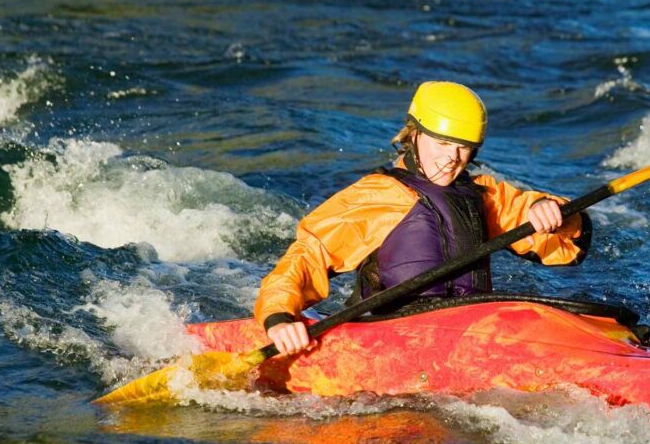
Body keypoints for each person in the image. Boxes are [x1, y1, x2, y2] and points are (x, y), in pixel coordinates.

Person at [254, 81, 592, 355]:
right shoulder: (377, 195)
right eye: (443, 143)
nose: (452, 159)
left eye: (464, 148)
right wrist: (280, 318)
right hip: (394, 330)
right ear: (413, 135)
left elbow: (557, 239)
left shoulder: (480, 194)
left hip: (470, 326)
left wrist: (557, 213)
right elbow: (307, 254)